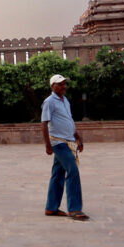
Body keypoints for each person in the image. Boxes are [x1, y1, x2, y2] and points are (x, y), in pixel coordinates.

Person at [41, 74, 88, 221]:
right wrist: (48, 145)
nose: (64, 87)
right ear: (53, 86)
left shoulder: (65, 100)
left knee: (58, 174)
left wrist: (77, 137)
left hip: (68, 141)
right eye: (61, 84)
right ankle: (74, 209)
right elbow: (44, 124)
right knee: (72, 170)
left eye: (65, 84)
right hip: (58, 143)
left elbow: (69, 120)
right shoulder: (49, 102)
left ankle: (51, 207)